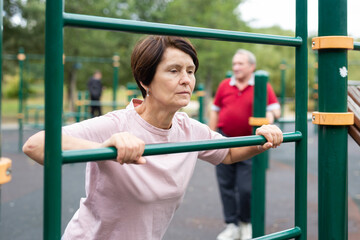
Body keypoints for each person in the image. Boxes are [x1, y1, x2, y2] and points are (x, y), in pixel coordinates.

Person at [23, 36, 283, 240]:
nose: (186, 80)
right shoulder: (117, 124)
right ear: (145, 80)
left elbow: (227, 153)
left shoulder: (189, 129)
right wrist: (103, 148)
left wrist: (261, 139)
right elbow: (36, 145)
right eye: (174, 71)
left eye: (190, 71)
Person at [209, 49, 281, 240]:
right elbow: (215, 110)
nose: (236, 67)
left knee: (246, 187)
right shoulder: (225, 85)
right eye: (234, 64)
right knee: (226, 185)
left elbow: (276, 110)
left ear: (252, 67)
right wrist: (211, 135)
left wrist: (269, 117)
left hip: (249, 142)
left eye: (240, 64)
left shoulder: (261, 85)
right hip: (225, 139)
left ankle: (245, 223)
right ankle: (232, 225)